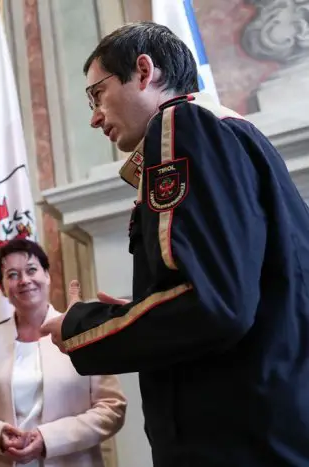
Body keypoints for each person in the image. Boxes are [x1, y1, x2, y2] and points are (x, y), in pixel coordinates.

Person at [39, 21, 309, 466]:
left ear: (143, 72)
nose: (94, 116)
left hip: (232, 439)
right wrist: (140, 307)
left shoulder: (180, 124)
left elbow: (213, 303)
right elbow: (240, 287)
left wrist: (80, 326)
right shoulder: (236, 133)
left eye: (97, 94)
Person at [0, 239, 126, 467]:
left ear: (47, 275)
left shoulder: (82, 332)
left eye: (31, 270)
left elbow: (112, 408)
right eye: (12, 275)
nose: (24, 281)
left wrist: (49, 439)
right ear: (2, 288)